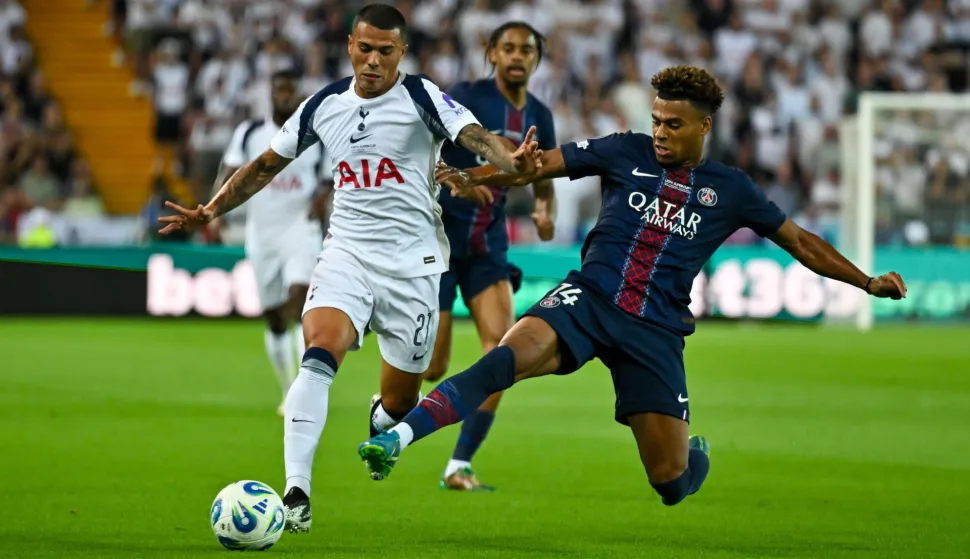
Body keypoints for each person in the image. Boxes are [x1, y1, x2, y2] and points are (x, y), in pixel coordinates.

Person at [356, 65, 908, 507]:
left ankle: (695, 454)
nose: (660, 132)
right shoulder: (625, 150)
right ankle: (397, 438)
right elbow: (536, 166)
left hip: (655, 329)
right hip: (588, 300)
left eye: (674, 124)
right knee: (503, 358)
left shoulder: (731, 189)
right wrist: (473, 174)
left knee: (670, 482)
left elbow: (800, 241)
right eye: (657, 120)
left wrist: (865, 281)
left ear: (704, 127)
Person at [157, 3, 540, 533]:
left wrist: (509, 159)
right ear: (350, 47)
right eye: (365, 48)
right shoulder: (324, 104)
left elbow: (475, 136)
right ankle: (296, 492)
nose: (373, 60)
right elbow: (265, 164)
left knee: (403, 401)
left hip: (413, 269)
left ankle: (381, 416)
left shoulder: (422, 96)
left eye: (385, 51)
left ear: (401, 52)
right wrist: (211, 209)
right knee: (318, 354)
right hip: (347, 256)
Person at [375, 21, 557, 493]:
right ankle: (386, 408)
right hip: (439, 242)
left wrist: (545, 210)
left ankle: (458, 466)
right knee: (433, 367)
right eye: (508, 48)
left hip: (487, 247)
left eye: (526, 50)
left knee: (501, 354)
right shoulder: (464, 96)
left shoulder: (540, 114)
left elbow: (544, 176)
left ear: (536, 59)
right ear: (491, 53)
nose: (517, 56)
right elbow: (426, 152)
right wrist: (460, 177)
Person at [211, 69, 330, 415]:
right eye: (280, 89)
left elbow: (328, 177)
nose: (285, 95)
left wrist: (320, 200)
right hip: (262, 234)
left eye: (290, 89)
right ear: (271, 94)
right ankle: (287, 386)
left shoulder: (314, 135)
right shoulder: (250, 133)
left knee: (301, 300)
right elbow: (229, 172)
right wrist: (214, 211)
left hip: (301, 228)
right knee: (275, 318)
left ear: (298, 94)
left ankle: (304, 390)